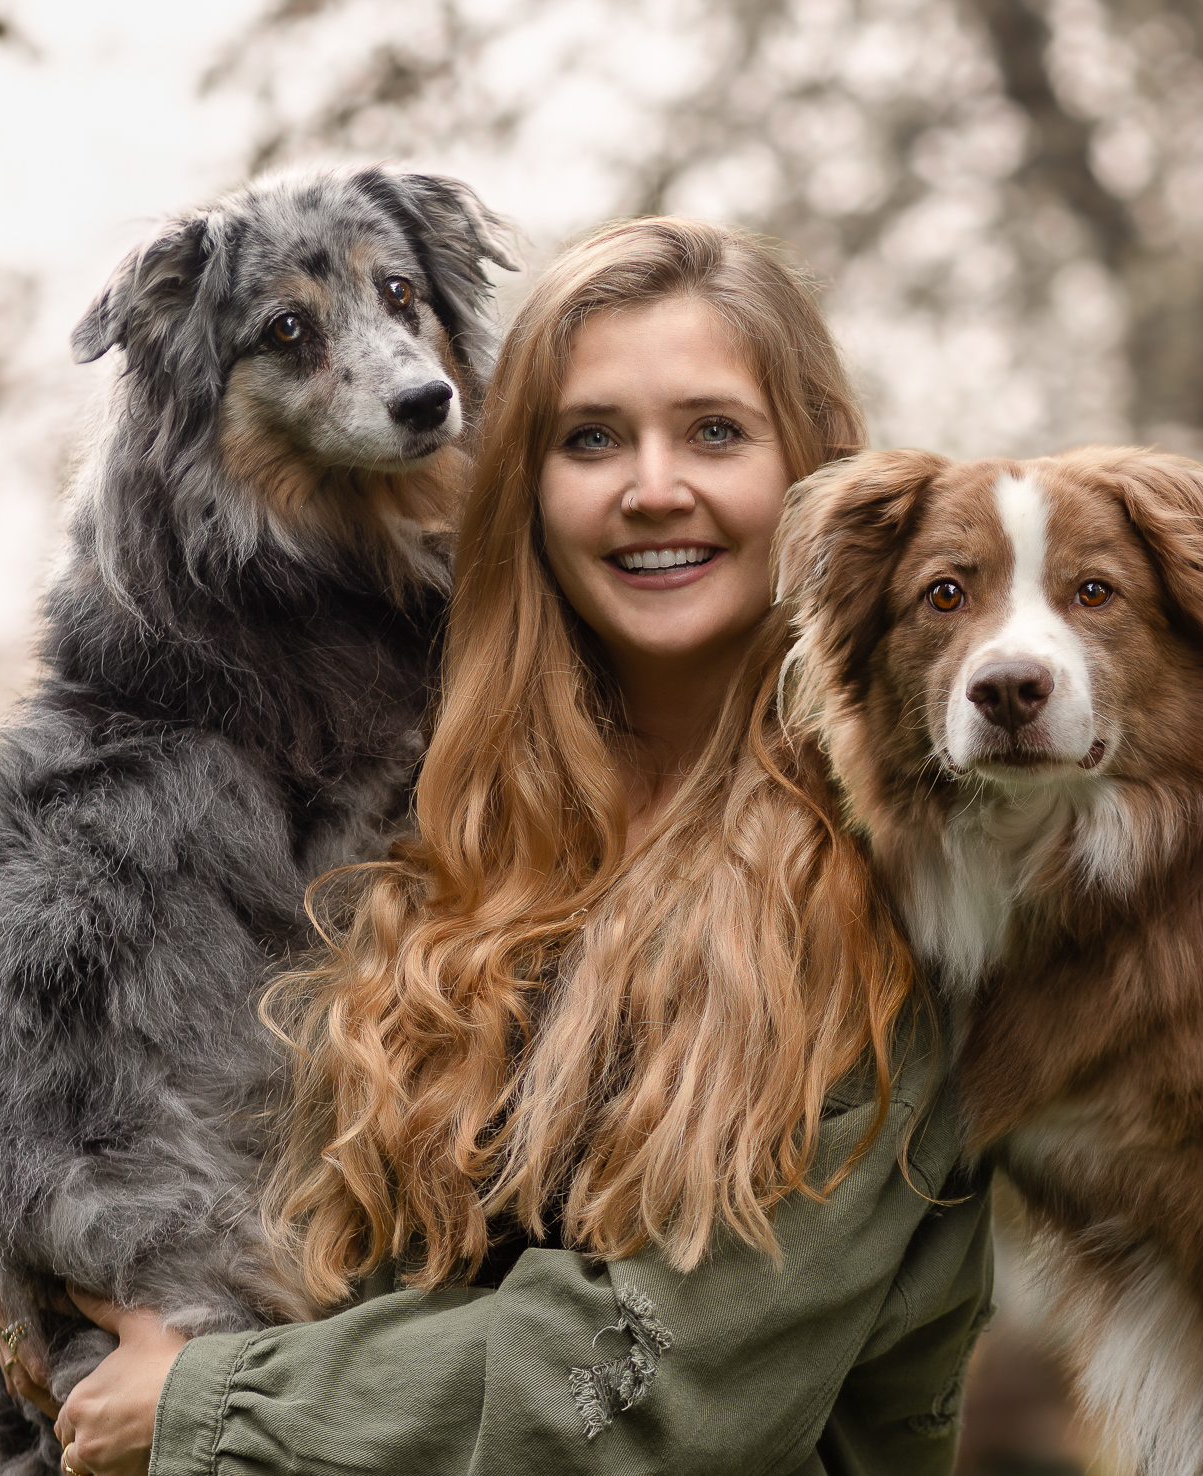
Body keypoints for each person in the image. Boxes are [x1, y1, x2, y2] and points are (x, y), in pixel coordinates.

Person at [50, 216, 997, 1476]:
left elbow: (653, 1395)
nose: (652, 486)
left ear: (812, 472)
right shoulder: (416, 807)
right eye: (591, 438)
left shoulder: (904, 885)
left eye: (714, 431)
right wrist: (21, 1238)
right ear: (524, 484)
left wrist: (209, 1406)